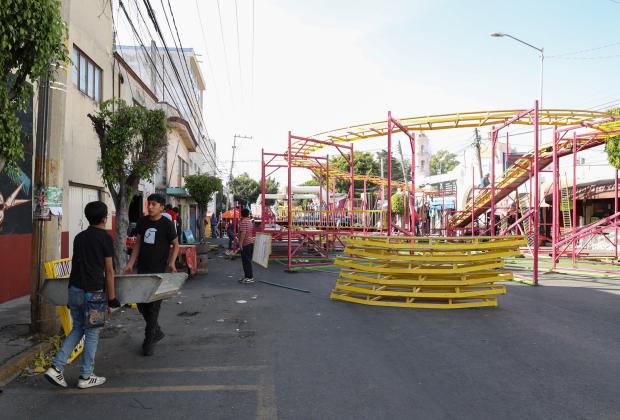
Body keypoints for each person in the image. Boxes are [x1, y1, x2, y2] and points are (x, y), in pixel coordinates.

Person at [45, 201, 119, 389]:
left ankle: (56, 367)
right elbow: (109, 271)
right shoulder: (105, 239)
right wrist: (112, 298)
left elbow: (75, 265)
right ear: (104, 218)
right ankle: (86, 376)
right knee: (92, 333)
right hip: (94, 294)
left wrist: (71, 296)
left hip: (75, 290)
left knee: (78, 328)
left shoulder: (79, 237)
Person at [123, 193, 180, 356]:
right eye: (149, 204)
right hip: (143, 270)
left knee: (154, 306)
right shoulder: (142, 222)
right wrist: (130, 264)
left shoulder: (167, 224)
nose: (150, 207)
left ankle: (149, 340)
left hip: (159, 272)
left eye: (154, 204)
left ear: (162, 207)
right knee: (141, 303)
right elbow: (138, 244)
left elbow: (175, 245)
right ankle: (157, 331)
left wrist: (172, 262)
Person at [238, 208, 255, 284]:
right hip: (250, 243)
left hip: (246, 244)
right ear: (248, 214)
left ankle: (249, 277)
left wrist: (240, 244)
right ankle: (247, 277)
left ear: (242, 214)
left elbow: (243, 233)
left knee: (246, 262)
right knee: (247, 261)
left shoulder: (243, 222)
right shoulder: (249, 222)